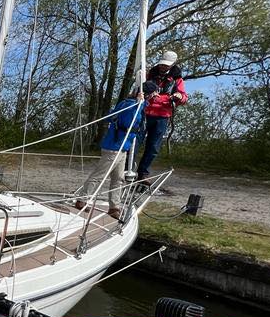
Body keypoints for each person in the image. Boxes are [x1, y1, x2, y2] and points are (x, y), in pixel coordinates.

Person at [75, 81, 156, 220]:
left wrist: (141, 104)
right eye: (153, 94)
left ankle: (114, 207)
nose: (155, 97)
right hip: (114, 147)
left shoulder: (133, 104)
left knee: (118, 179)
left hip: (123, 147)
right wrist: (139, 104)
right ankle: (82, 199)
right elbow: (128, 122)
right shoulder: (130, 105)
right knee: (99, 175)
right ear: (147, 94)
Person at [137, 50, 189, 181]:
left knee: (153, 147)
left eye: (166, 65)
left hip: (162, 116)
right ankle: (127, 168)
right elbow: (139, 91)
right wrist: (147, 94)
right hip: (145, 113)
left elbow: (184, 97)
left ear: (172, 65)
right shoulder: (149, 75)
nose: (163, 67)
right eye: (162, 64)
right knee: (135, 142)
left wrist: (179, 96)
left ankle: (143, 173)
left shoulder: (177, 80)